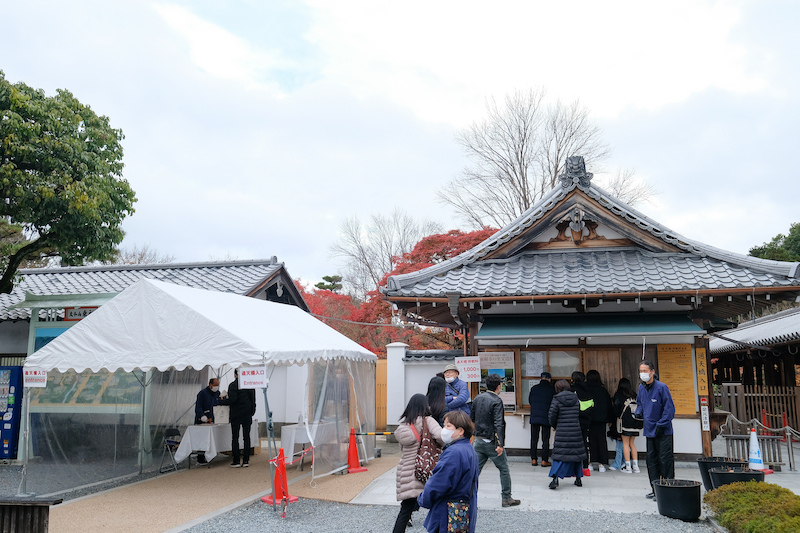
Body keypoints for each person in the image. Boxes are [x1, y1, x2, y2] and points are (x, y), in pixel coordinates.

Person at [417, 410, 479, 533]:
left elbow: (438, 484)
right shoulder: (469, 449)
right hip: (464, 508)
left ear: (461, 431)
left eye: (448, 426)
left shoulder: (454, 452)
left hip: (447, 511)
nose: (444, 429)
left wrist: (423, 499)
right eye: (444, 425)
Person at [392, 394, 445, 533]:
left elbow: (403, 449)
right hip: (425, 468)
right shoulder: (428, 421)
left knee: (406, 510)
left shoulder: (404, 425)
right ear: (425, 406)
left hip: (406, 469)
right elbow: (441, 436)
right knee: (438, 504)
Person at [470, 373, 520, 507]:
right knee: (503, 469)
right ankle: (506, 497)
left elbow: (472, 418)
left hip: (479, 440)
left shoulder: (477, 398)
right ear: (499, 386)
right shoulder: (497, 401)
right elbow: (499, 424)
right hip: (492, 441)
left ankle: (466, 496)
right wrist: (500, 444)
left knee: (474, 471)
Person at [635, 361, 675, 500]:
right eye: (641, 371)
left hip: (663, 431)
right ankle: (655, 488)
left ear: (652, 372)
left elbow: (669, 409)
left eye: (645, 371)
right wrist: (638, 412)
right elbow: (639, 403)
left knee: (665, 460)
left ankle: (667, 489)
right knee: (651, 461)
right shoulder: (641, 388)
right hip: (649, 429)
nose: (643, 374)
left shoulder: (661, 387)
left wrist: (661, 424)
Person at [547, 379, 587, 489]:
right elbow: (578, 412)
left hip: (562, 431)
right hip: (575, 430)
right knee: (576, 454)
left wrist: (556, 426)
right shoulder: (576, 399)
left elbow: (551, 416)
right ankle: (578, 478)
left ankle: (555, 478)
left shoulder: (556, 399)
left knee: (560, 455)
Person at [220, 368, 257, 467]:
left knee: (235, 437)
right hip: (247, 414)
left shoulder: (233, 385)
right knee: (246, 437)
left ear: (235, 375)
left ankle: (236, 460)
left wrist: (221, 401)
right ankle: (245, 460)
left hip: (236, 415)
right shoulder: (250, 385)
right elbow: (253, 401)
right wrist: (252, 412)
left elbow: (232, 400)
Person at [586, 370, 614, 472]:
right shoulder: (603, 390)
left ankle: (591, 463)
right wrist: (610, 419)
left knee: (591, 441)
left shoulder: (586, 389)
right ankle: (603, 463)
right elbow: (609, 406)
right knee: (602, 440)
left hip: (589, 419)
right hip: (602, 420)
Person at [613, 377, 641, 474]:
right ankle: (636, 467)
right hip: (636, 423)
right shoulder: (634, 395)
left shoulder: (619, 395)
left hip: (625, 423)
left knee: (625, 444)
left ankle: (628, 467)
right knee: (632, 444)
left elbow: (616, 410)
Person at [528, 371, 554, 467]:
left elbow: (530, 401)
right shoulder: (551, 389)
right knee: (545, 439)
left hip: (534, 416)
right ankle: (544, 460)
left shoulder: (534, 388)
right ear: (549, 379)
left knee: (534, 439)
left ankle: (534, 459)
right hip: (546, 417)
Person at [194, 377, 221, 464]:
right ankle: (200, 458)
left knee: (211, 439)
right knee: (202, 439)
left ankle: (210, 455)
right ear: (210, 385)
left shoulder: (217, 393)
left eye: (218, 385)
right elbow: (198, 407)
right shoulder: (202, 393)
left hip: (213, 420)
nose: (217, 387)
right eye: (215, 385)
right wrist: (203, 417)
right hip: (202, 420)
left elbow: (218, 406)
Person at [570, 371, 593, 470]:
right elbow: (592, 406)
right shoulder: (588, 390)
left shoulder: (572, 390)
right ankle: (585, 466)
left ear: (573, 380)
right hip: (586, 420)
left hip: (574, 421)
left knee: (573, 443)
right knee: (584, 443)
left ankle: (574, 465)